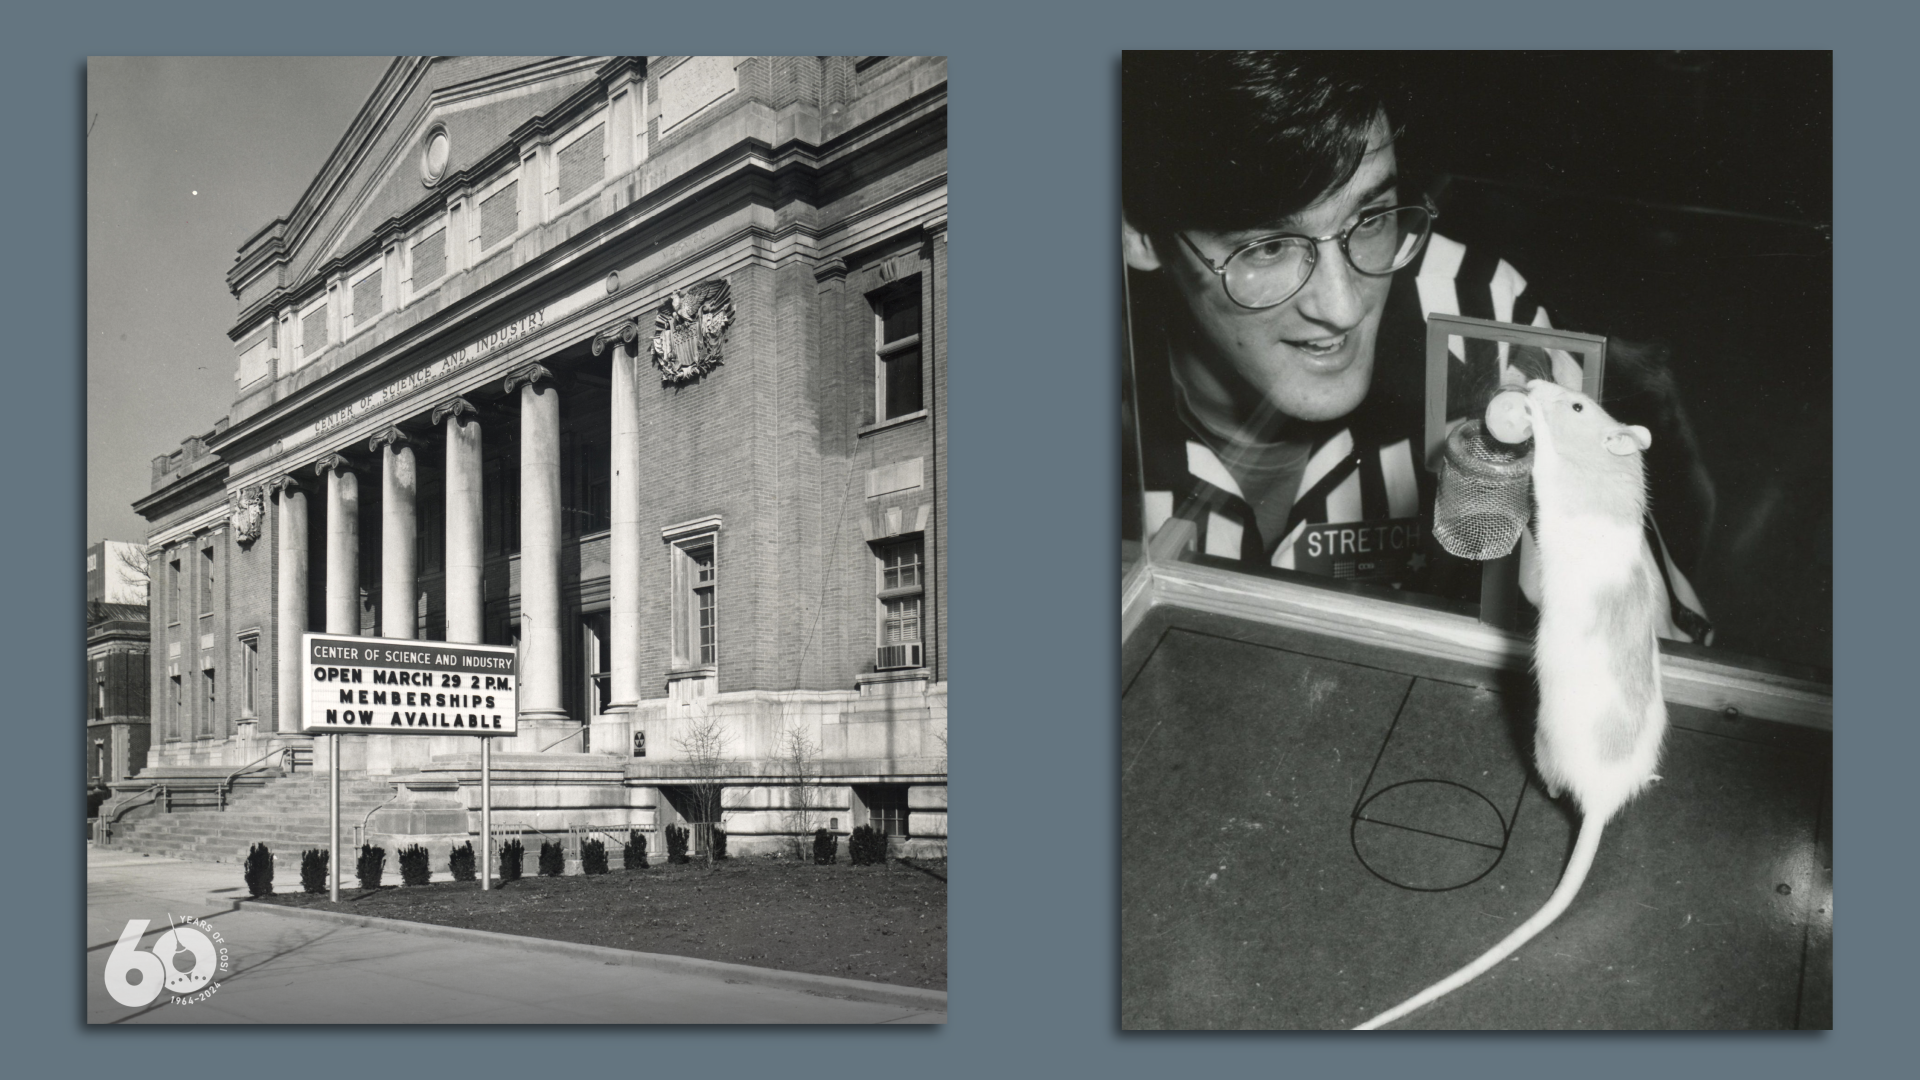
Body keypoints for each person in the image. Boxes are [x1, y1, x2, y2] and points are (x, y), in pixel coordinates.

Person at [1121, 51, 1712, 643]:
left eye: (1372, 216)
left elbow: (1678, 663)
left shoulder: (1484, 316)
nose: (1346, 307)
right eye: (1269, 246)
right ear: (1140, 234)